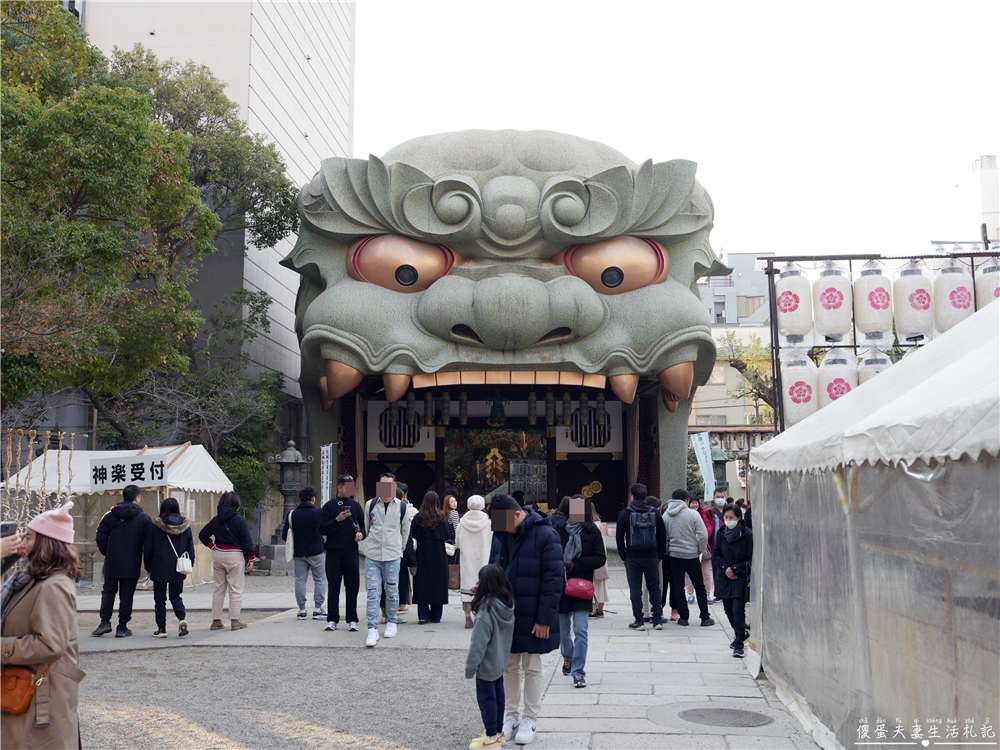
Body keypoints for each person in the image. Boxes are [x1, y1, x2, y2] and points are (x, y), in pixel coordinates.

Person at [1, 501, 86, 749]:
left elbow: (50, 644)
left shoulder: (53, 585)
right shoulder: (31, 579)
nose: (20, 541)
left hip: (41, 698)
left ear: (45, 542)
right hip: (31, 690)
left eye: (27, 537)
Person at [489, 493, 562, 746]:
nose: (504, 529)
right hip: (505, 614)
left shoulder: (546, 535)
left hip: (533, 614)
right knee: (508, 666)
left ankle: (530, 718)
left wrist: (544, 618)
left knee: (531, 667)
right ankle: (510, 716)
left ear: (518, 514)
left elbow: (554, 580)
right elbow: (493, 568)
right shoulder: (500, 534)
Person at [551, 495, 606, 688]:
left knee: (581, 630)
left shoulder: (591, 531)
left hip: (581, 584)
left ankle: (578, 671)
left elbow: (600, 558)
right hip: (561, 585)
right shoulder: (557, 528)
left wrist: (578, 563)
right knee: (564, 631)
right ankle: (568, 656)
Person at [465, 564, 516, 750]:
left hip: (486, 666)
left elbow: (478, 645)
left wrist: (470, 668)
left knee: (487, 701)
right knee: (499, 698)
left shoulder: (486, 611)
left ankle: (490, 737)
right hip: (500, 662)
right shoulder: (507, 604)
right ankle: (499, 733)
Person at [93, 484, 152, 638]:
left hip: (112, 561)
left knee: (108, 592)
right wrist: (148, 563)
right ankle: (122, 626)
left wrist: (108, 551)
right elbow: (149, 543)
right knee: (127, 595)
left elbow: (100, 536)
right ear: (137, 498)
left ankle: (104, 622)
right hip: (132, 562)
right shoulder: (144, 518)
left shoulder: (109, 515)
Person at [360, 474, 411, 647]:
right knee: (373, 592)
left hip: (392, 555)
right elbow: (367, 527)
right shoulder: (370, 504)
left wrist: (399, 549)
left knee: (392, 591)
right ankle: (372, 627)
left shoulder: (402, 507)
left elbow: (405, 532)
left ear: (394, 485)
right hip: (373, 554)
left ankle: (391, 622)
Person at [199, 491, 257, 631]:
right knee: (236, 589)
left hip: (219, 554)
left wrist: (212, 546)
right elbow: (246, 540)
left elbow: (203, 534)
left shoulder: (216, 519)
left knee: (219, 589)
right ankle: (235, 620)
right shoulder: (240, 520)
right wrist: (251, 557)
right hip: (234, 556)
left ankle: (216, 621)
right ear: (236, 505)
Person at [615, 483, 666, 630]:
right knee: (654, 587)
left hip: (632, 556)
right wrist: (660, 554)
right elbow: (662, 534)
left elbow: (619, 536)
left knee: (635, 589)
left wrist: (623, 555)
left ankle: (639, 620)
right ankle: (657, 619)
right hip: (652, 555)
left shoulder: (626, 513)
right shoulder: (654, 512)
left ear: (632, 496)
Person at [318, 474, 365, 632]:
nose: (350, 490)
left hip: (351, 552)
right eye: (347, 487)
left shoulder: (356, 506)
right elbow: (322, 529)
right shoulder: (329, 506)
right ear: (339, 487)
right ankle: (332, 619)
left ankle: (352, 619)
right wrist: (336, 520)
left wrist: (361, 535)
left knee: (352, 586)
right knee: (333, 587)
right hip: (333, 553)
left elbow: (364, 527)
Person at [143, 497, 195, 638]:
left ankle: (162, 629)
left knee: (160, 600)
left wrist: (148, 566)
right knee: (176, 596)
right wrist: (191, 563)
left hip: (159, 567)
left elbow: (148, 549)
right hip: (178, 567)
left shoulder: (154, 526)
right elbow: (190, 548)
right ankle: (181, 619)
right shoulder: (185, 526)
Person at [663, 489, 713, 627]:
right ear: (686, 501)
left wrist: (669, 549)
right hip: (691, 554)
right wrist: (699, 549)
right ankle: (705, 617)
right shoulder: (693, 514)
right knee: (699, 585)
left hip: (674, 555)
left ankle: (683, 617)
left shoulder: (666, 515)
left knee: (678, 587)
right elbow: (703, 534)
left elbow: (664, 536)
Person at [283, 485, 327, 621]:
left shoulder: (292, 514)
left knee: (300, 580)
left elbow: (285, 535)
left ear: (300, 499)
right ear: (313, 499)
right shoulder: (319, 513)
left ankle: (302, 609)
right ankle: (318, 608)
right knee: (319, 580)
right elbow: (325, 530)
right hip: (317, 551)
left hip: (299, 552)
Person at [714, 503, 753, 658]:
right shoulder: (721, 533)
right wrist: (726, 569)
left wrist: (736, 569)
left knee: (738, 609)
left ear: (739, 517)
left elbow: (751, 559)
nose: (729, 520)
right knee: (728, 609)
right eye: (726, 517)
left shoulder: (747, 534)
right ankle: (741, 633)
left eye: (732, 517)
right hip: (724, 577)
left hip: (740, 577)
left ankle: (738, 644)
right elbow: (716, 555)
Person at [411, 491, 454, 624]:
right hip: (439, 554)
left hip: (423, 553)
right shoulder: (441, 518)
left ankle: (423, 615)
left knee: (422, 582)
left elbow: (414, 535)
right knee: (438, 583)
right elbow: (449, 534)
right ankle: (436, 616)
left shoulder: (418, 517)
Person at [456, 494, 492, 629]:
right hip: (485, 557)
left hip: (467, 558)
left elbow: (458, 542)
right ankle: (479, 615)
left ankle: (467, 617)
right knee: (483, 585)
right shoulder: (489, 520)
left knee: (467, 584)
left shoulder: (463, 520)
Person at [686, 495, 715, 603]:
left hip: (703, 548)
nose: (695, 505)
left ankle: (707, 594)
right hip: (689, 547)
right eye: (692, 503)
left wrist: (702, 535)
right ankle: (690, 594)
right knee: (689, 573)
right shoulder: (686, 515)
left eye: (696, 502)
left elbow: (709, 527)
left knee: (706, 573)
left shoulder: (703, 514)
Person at [589, 508, 609, 619]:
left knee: (591, 584)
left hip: (592, 558)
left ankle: (592, 610)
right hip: (601, 559)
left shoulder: (590, 526)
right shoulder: (599, 524)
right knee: (601, 585)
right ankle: (600, 609)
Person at [709, 488, 728, 602]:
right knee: (716, 570)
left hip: (729, 544)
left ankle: (728, 592)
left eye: (722, 497)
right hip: (715, 545)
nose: (720, 499)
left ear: (725, 497)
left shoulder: (731, 510)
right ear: (714, 498)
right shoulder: (710, 511)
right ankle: (719, 593)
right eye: (718, 497)